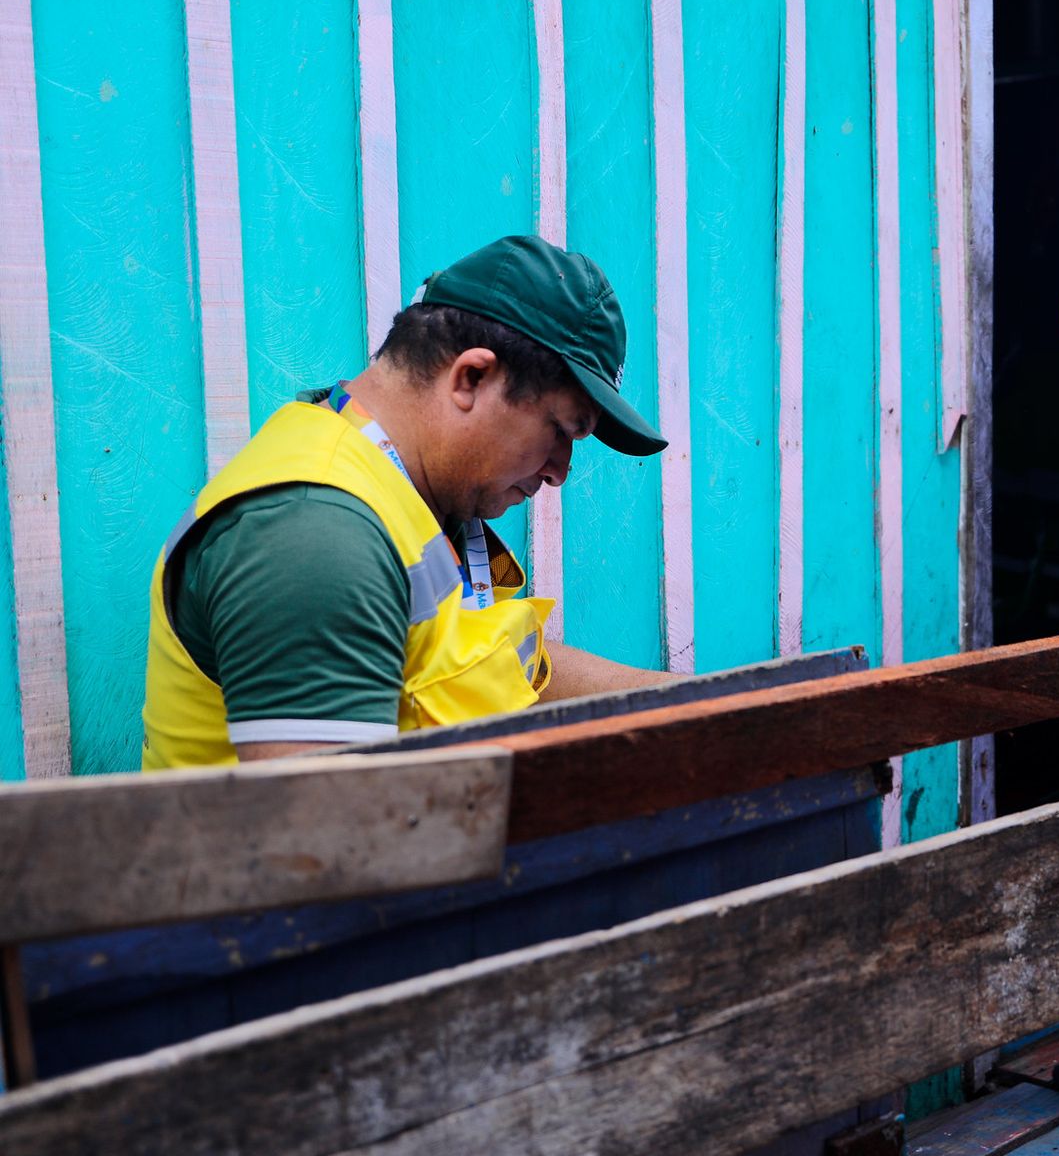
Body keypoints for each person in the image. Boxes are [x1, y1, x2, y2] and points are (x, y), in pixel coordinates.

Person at [143, 234, 673, 768]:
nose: (559, 471)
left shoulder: (395, 484)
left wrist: (700, 700)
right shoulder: (317, 534)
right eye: (560, 429)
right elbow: (323, 837)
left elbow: (493, 660)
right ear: (471, 377)